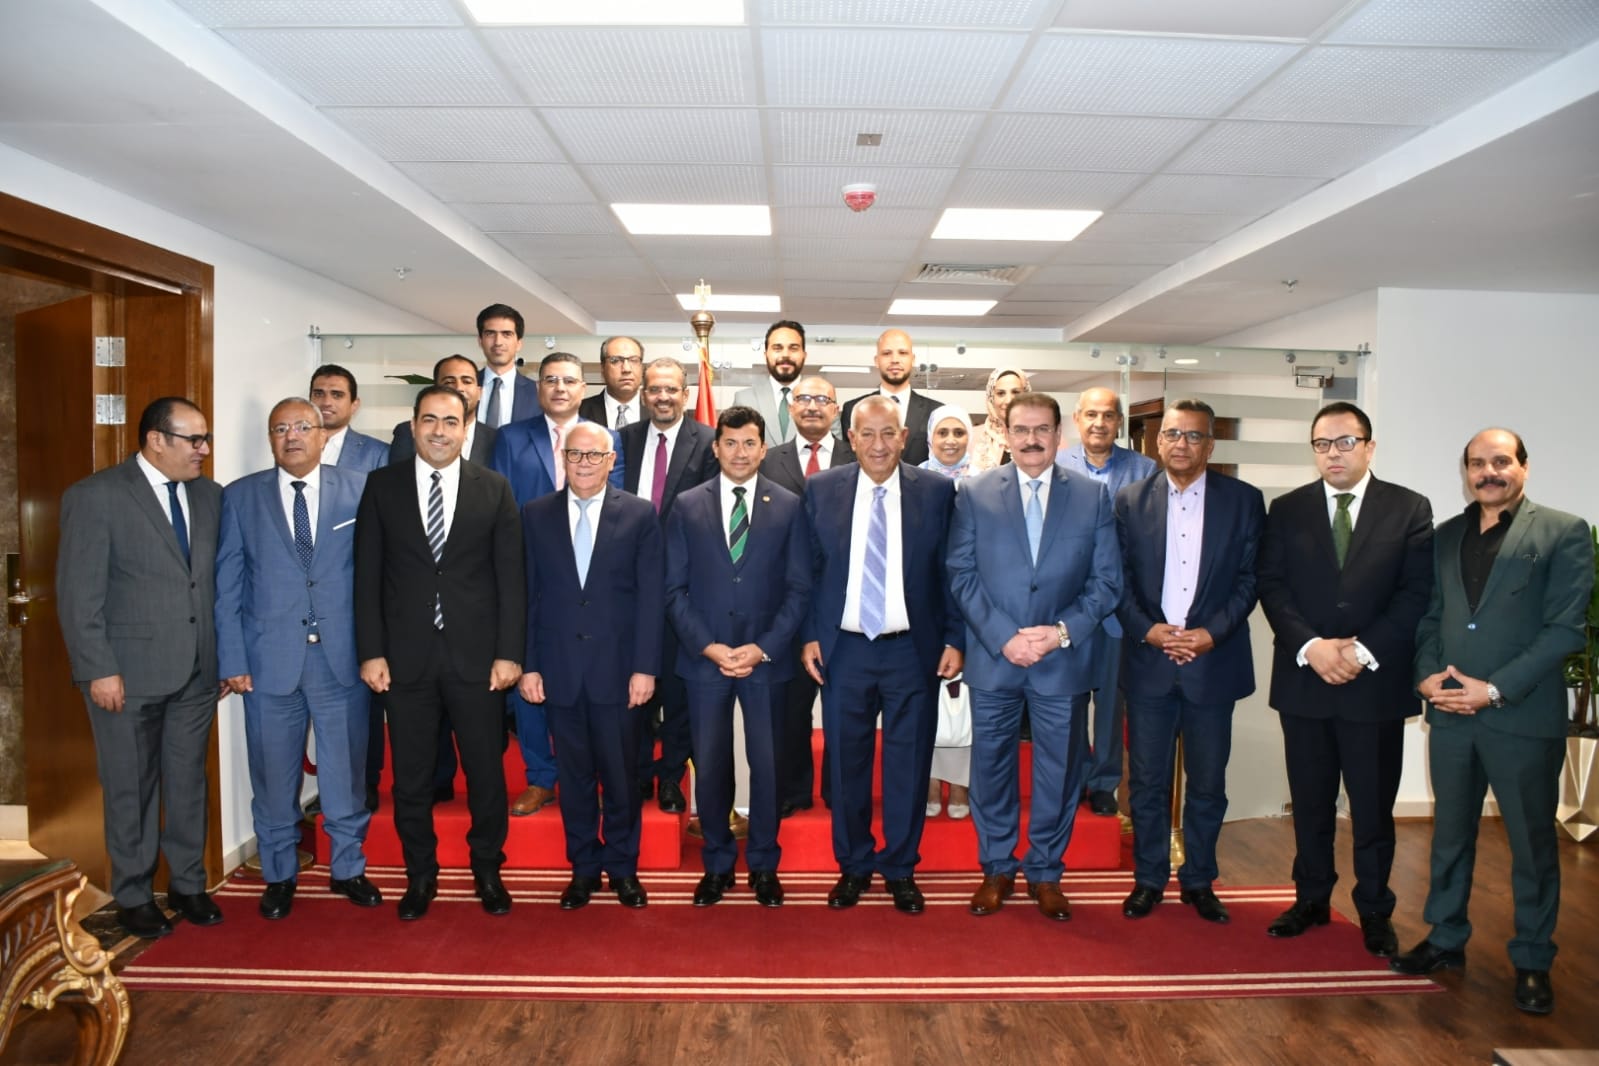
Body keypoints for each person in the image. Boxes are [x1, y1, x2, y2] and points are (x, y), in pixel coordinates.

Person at [1392, 428, 1593, 1016]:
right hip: (1452, 715)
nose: (1488, 472)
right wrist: (1427, 678)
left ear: (1523, 467)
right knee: (1450, 835)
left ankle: (1533, 958)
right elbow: (1432, 617)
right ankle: (1445, 938)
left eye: (1501, 461)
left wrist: (1495, 689)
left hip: (1522, 717)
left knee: (1532, 844)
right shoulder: (1446, 536)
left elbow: (1564, 630)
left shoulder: (1563, 531)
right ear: (1466, 472)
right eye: (1477, 463)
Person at [1256, 402, 1433, 956]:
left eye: (1345, 442)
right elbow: (1272, 586)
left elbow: (1416, 593)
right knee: (1309, 803)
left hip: (1373, 683)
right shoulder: (1287, 509)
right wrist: (1312, 647)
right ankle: (1311, 899)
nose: (1333, 453)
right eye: (1322, 444)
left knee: (1373, 808)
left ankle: (1375, 910)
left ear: (1369, 447)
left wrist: (1361, 650)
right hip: (1305, 680)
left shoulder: (1408, 508)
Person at [948, 392, 1122, 922]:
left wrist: (1060, 633)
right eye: (1020, 430)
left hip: (1061, 659)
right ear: (1005, 434)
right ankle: (997, 868)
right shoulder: (974, 492)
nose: (1031, 440)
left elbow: (1107, 581)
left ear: (1058, 435)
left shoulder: (1092, 496)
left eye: (1041, 429)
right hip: (995, 657)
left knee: (1059, 773)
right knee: (991, 768)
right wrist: (1004, 636)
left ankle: (1046, 872)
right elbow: (961, 573)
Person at [354, 385, 526, 921]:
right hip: (404, 660)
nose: (439, 431)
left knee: (485, 774)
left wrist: (509, 652)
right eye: (429, 420)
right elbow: (366, 577)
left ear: (465, 429)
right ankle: (420, 875)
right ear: (412, 425)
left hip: (477, 660)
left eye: (451, 422)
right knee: (411, 778)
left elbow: (511, 579)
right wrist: (371, 651)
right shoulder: (382, 487)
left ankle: (487, 870)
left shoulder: (493, 488)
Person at [56, 397, 224, 939]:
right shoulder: (96, 496)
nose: (203, 449)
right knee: (131, 786)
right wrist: (97, 668)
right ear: (156, 440)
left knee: (188, 782)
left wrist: (220, 657)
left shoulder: (210, 496)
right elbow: (78, 595)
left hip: (197, 672)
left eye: (205, 438)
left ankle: (189, 884)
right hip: (126, 675)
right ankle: (133, 894)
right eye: (193, 439)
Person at [215, 398, 381, 919]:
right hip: (268, 663)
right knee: (272, 776)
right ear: (270, 438)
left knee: (344, 774)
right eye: (280, 428)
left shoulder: (360, 489)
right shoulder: (241, 496)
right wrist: (232, 659)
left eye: (302, 426)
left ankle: (348, 868)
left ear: (322, 434)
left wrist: (375, 651)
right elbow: (228, 586)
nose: (292, 436)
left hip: (341, 659)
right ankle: (279, 873)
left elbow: (377, 577)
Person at [802, 396, 963, 914]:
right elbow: (805, 570)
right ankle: (853, 866)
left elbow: (951, 572)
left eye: (888, 433)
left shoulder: (936, 491)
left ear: (904, 436)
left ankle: (900, 868)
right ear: (850, 438)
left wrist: (955, 638)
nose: (878, 445)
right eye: (867, 434)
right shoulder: (821, 489)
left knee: (908, 765)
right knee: (846, 765)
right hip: (844, 650)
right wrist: (809, 635)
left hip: (912, 651)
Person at [1115, 399, 1265, 925]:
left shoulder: (1243, 501)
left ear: (1210, 444)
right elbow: (1118, 582)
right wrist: (1149, 630)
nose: (1182, 444)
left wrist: (1210, 634)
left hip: (1212, 665)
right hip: (1149, 664)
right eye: (1173, 434)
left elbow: (1250, 579)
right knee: (1146, 783)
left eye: (1194, 436)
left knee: (1207, 784)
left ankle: (1199, 879)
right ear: (1158, 442)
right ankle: (1149, 878)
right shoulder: (1130, 501)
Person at [665, 406, 810, 908]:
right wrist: (708, 646)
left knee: (767, 765)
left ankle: (764, 864)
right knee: (709, 764)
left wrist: (764, 647)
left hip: (765, 659)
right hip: (704, 659)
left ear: (763, 448)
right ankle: (718, 864)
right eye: (730, 442)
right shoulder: (687, 505)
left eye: (749, 443)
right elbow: (672, 589)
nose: (740, 452)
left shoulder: (789, 505)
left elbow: (799, 588)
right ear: (716, 447)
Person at [520, 423, 663, 910]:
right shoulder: (536, 514)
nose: (584, 463)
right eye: (575, 454)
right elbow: (528, 596)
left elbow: (650, 598)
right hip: (559, 670)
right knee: (575, 778)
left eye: (594, 455)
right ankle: (582, 869)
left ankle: (623, 868)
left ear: (611, 460)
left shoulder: (640, 514)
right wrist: (529, 665)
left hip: (620, 673)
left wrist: (645, 668)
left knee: (621, 778)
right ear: (563, 457)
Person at [490, 351, 623, 818]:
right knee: (532, 669)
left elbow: (617, 501)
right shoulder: (511, 437)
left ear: (583, 388)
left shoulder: (605, 439)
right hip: (530, 571)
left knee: (593, 684)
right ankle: (541, 777)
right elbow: (502, 504)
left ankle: (594, 775)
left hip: (592, 579)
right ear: (539, 388)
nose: (560, 388)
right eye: (550, 380)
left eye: (569, 380)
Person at [619, 357, 717, 813]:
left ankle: (672, 778)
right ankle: (638, 773)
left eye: (671, 389)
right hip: (628, 587)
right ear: (644, 394)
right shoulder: (623, 440)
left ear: (686, 394)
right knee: (633, 686)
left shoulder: (709, 442)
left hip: (684, 588)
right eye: (655, 389)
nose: (663, 397)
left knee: (678, 693)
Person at [1056, 387, 1157, 818]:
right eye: (1091, 414)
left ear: (1119, 422)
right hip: (1070, 605)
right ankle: (1075, 775)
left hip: (1121, 608)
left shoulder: (1144, 469)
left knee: (1112, 704)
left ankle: (1104, 782)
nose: (1099, 423)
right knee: (1071, 698)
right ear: (1077, 419)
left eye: (1109, 415)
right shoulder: (1057, 465)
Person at [759, 375, 855, 816]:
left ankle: (840, 792)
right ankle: (793, 792)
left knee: (844, 709)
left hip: (846, 605)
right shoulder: (768, 459)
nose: (812, 406)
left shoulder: (860, 456)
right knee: (790, 709)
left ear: (836, 409)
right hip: (785, 606)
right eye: (803, 398)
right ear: (791, 408)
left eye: (822, 399)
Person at [919, 404, 976, 819]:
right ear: (929, 439)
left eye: (959, 432)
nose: (951, 440)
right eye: (943, 432)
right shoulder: (913, 481)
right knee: (924, 701)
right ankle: (928, 781)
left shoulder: (985, 483)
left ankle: (959, 785)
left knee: (963, 704)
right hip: (922, 605)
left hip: (971, 603)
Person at [839, 329, 938, 467]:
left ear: (913, 360)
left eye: (902, 353)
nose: (895, 360)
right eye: (886, 353)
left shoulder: (936, 411)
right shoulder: (853, 409)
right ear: (876, 361)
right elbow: (850, 461)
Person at [389, 354, 498, 466]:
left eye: (467, 381)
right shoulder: (407, 432)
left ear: (479, 392)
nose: (459, 388)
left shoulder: (496, 439)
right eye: (449, 382)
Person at [732, 320, 810, 446]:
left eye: (793, 348)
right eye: (777, 348)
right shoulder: (744, 399)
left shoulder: (823, 401)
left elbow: (835, 452)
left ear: (804, 355)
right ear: (766, 355)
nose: (785, 355)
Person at [310, 364, 388, 473]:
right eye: (319, 394)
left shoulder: (377, 453)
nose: (326, 402)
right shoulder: (292, 444)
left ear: (354, 405)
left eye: (337, 395)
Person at [475, 303, 539, 428]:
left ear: (519, 343)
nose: (498, 342)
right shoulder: (465, 386)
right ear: (480, 341)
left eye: (506, 334)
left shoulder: (537, 393)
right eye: (490, 334)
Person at [966, 366, 1029, 474]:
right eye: (1001, 393)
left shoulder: (1043, 437)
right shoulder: (972, 437)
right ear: (991, 398)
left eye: (1016, 392)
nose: (1008, 400)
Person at [578, 335, 644, 429]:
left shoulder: (657, 410)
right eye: (615, 361)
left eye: (634, 360)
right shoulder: (578, 412)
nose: (626, 369)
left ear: (641, 367)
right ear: (602, 368)